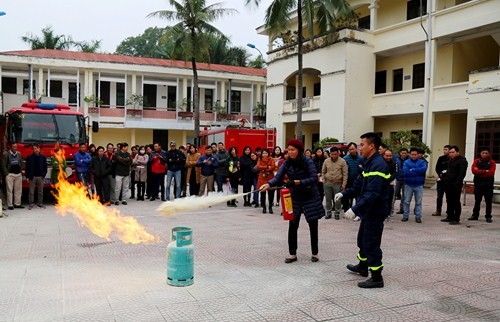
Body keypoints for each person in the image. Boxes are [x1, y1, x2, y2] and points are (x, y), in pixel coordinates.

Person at [335, 132, 391, 288]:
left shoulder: (378, 164)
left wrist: (355, 209)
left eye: (363, 145)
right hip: (369, 210)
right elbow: (359, 186)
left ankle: (377, 277)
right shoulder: (369, 162)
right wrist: (344, 193)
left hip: (376, 210)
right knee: (362, 239)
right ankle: (362, 266)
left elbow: (373, 193)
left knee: (371, 242)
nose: (360, 148)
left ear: (371, 146)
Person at [261, 138, 324, 263]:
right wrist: (268, 184)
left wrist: (297, 182)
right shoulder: (286, 163)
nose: (290, 152)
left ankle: (315, 253)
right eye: (288, 150)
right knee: (293, 224)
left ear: (299, 150)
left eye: (292, 150)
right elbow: (278, 177)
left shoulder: (308, 161)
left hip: (310, 196)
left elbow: (313, 178)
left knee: (313, 224)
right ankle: (292, 254)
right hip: (295, 197)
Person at [442, 146, 468, 225]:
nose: (451, 154)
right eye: (450, 152)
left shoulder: (462, 161)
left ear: (457, 152)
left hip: (456, 184)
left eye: (453, 152)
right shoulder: (450, 160)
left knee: (456, 201)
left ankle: (456, 218)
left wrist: (457, 183)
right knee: (449, 200)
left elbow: (462, 173)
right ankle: (450, 216)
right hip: (448, 183)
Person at [469, 147, 496, 223]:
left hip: (488, 184)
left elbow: (491, 173)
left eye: (486, 153)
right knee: (477, 200)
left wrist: (480, 171)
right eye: (483, 153)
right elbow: (474, 171)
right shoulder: (477, 161)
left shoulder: (492, 162)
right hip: (478, 184)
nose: (484, 154)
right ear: (480, 154)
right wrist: (484, 171)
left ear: (489, 154)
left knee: (488, 201)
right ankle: (475, 215)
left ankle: (488, 216)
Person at [402, 148, 427, 223]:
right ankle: (405, 216)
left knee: (418, 202)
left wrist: (412, 170)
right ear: (410, 154)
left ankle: (418, 216)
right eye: (412, 154)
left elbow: (423, 170)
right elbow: (406, 172)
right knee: (406, 201)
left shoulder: (422, 162)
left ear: (418, 154)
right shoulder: (406, 162)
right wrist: (417, 171)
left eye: (415, 154)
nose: (414, 156)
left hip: (419, 185)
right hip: (408, 184)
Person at [322, 147, 347, 220]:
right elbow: (323, 171)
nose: (334, 156)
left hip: (338, 183)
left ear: (338, 153)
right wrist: (324, 181)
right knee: (328, 199)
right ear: (330, 154)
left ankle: (337, 213)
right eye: (332, 154)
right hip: (327, 183)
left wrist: (344, 184)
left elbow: (345, 173)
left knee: (338, 199)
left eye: (335, 154)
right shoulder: (326, 161)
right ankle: (328, 213)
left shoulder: (342, 161)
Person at [342, 142, 364, 218]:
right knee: (347, 197)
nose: (351, 151)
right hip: (348, 181)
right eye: (350, 149)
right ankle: (346, 211)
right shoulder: (345, 159)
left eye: (353, 149)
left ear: (356, 149)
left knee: (358, 198)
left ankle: (358, 214)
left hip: (359, 182)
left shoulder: (361, 158)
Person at [1, 143, 24, 210]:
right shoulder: (6, 154)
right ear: (10, 147)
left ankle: (17, 204)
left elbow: (21, 163)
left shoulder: (19, 154)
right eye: (13, 147)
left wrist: (20, 171)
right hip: (10, 175)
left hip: (18, 175)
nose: (15, 148)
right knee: (9, 190)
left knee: (18, 190)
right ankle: (10, 205)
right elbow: (3, 165)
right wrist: (6, 174)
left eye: (16, 147)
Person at [25, 144, 48, 210]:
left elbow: (45, 167)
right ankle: (31, 203)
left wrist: (43, 174)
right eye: (34, 148)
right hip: (32, 176)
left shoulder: (43, 157)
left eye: (37, 148)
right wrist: (27, 176)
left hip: (40, 176)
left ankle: (40, 203)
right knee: (31, 191)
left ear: (39, 149)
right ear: (33, 149)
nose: (36, 150)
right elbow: (27, 168)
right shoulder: (29, 157)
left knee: (40, 191)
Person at [433, 145, 450, 216]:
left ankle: (449, 211)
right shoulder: (441, 158)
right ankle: (438, 210)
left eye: (446, 149)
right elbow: (437, 168)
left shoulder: (452, 159)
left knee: (448, 197)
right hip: (441, 180)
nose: (444, 151)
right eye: (444, 149)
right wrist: (440, 174)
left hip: (448, 180)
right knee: (439, 196)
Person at [257, 148, 275, 214]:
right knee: (262, 193)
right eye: (263, 153)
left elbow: (273, 167)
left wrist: (264, 169)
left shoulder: (271, 159)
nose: (264, 154)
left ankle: (270, 207)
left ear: (268, 153)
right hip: (262, 178)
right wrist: (267, 167)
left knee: (271, 194)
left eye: (266, 153)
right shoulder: (259, 159)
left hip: (270, 178)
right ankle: (264, 207)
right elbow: (258, 166)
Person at [383, 149, 397, 219]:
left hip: (390, 184)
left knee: (389, 199)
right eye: (387, 156)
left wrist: (389, 179)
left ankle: (388, 213)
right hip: (381, 184)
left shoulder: (394, 163)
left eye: (390, 156)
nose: (388, 157)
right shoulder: (381, 163)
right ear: (384, 155)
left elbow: (395, 173)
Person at [394, 148, 409, 214]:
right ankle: (390, 208)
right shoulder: (396, 159)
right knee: (394, 194)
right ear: (400, 153)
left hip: (406, 180)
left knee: (404, 196)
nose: (404, 154)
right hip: (397, 179)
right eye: (402, 153)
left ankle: (402, 209)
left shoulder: (409, 160)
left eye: (405, 153)